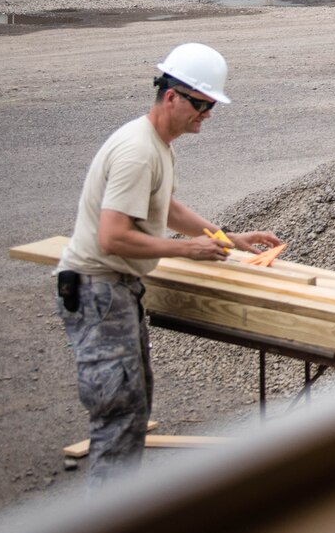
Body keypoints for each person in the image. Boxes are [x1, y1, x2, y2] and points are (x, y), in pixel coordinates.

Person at [53, 42, 279, 487]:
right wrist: (185, 250)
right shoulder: (138, 151)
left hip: (115, 288)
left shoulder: (157, 145)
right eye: (201, 104)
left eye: (211, 106)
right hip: (98, 287)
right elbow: (112, 236)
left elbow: (167, 207)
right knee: (117, 411)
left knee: (133, 403)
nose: (207, 115)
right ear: (172, 96)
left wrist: (223, 238)